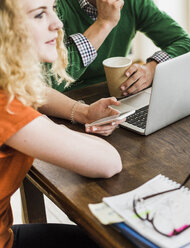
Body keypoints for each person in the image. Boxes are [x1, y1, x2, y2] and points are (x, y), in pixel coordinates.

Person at [0, 0, 124, 247]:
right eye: (39, 15)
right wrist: (46, 127)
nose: (57, 24)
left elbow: (35, 90)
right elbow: (109, 162)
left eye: (53, 8)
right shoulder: (8, 111)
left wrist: (83, 112)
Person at [53, 0, 190, 97]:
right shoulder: (52, 8)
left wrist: (152, 69)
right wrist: (104, 23)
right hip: (67, 102)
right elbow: (49, 83)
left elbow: (186, 43)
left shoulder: (133, 3)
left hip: (118, 95)